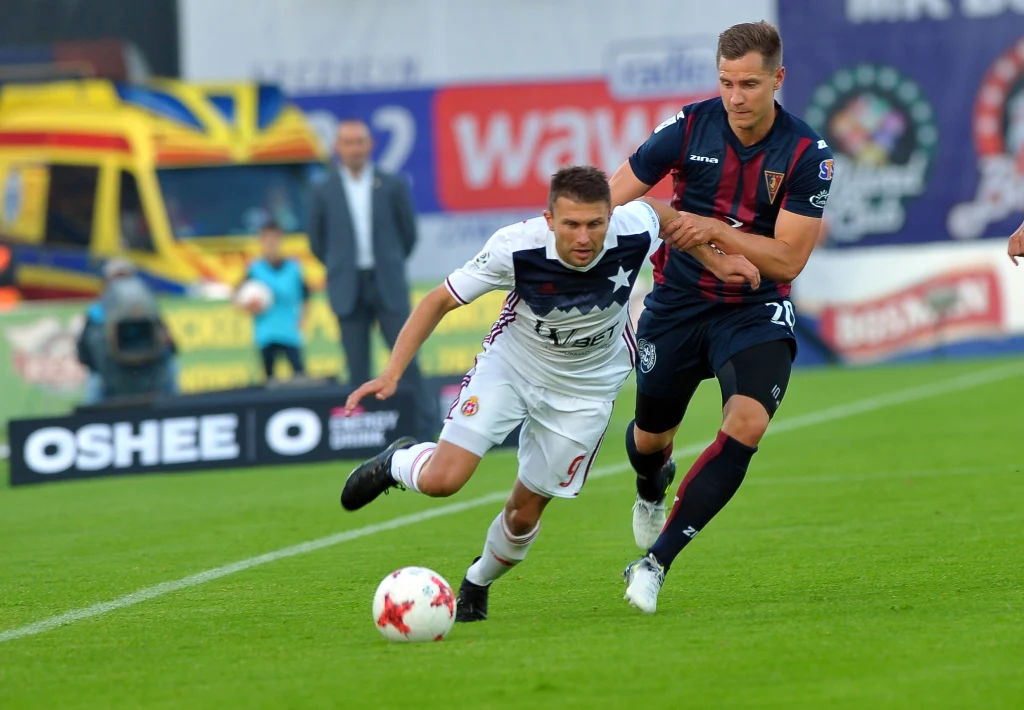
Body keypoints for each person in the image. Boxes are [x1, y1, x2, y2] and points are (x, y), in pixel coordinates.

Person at [338, 166, 759, 622]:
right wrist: (392, 372)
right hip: (512, 368)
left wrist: (717, 261)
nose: (584, 237)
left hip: (586, 390)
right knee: (443, 481)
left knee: (523, 515)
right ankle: (397, 462)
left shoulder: (631, 226)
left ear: (609, 216)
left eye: (595, 223)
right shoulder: (514, 247)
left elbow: (665, 216)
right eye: (571, 224)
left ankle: (477, 581)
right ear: (549, 219)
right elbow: (438, 300)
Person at [607, 20, 834, 613]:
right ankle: (651, 484)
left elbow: (788, 258)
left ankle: (655, 562)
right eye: (727, 82)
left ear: (778, 80)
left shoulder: (807, 154)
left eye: (750, 84)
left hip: (754, 311)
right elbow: (614, 198)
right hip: (678, 306)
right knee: (649, 441)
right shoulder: (689, 125)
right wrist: (702, 242)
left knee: (748, 424)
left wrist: (715, 229)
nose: (736, 97)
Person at [307, 118, 435, 440]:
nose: (354, 149)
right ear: (337, 148)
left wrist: (389, 263)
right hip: (347, 285)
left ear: (370, 145)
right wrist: (340, 266)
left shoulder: (391, 184)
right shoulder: (323, 189)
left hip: (387, 283)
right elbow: (317, 241)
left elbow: (409, 234)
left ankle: (426, 429)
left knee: (406, 360)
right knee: (357, 365)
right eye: (348, 143)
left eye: (360, 142)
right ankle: (365, 434)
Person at [77, 258, 178, 404]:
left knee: (171, 368)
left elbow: (171, 347)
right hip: (110, 378)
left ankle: (173, 408)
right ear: (106, 282)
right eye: (117, 278)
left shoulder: (148, 309)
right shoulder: (96, 313)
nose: (121, 284)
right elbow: (84, 354)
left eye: (125, 277)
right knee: (95, 381)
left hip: (150, 375)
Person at [241, 221, 309, 380]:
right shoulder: (254, 269)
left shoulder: (294, 268)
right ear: (261, 241)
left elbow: (306, 296)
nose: (271, 244)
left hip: (289, 330)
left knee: (299, 374)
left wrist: (303, 319)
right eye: (267, 239)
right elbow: (238, 296)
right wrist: (249, 306)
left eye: (274, 239)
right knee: (269, 377)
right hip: (266, 332)